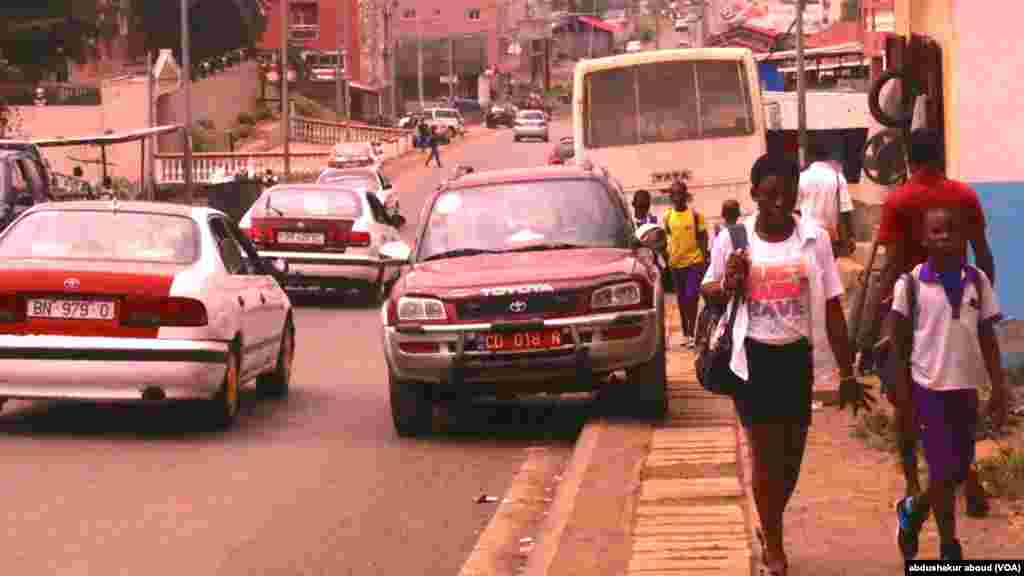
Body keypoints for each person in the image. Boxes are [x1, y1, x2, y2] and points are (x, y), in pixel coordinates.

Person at [701, 154, 873, 576]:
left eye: (787, 192)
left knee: (791, 459)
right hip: (751, 358)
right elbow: (709, 287)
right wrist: (729, 281)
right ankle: (775, 547)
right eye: (770, 193)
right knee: (764, 453)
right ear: (755, 193)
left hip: (796, 358)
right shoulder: (735, 237)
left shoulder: (814, 238)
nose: (779, 201)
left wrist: (847, 371)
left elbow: (833, 305)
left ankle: (769, 518)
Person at [871, 128, 996, 517]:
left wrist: (877, 320)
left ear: (908, 157)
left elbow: (891, 265)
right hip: (959, 303)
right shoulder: (964, 196)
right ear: (942, 154)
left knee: (905, 402)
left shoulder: (899, 200)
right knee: (962, 397)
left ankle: (913, 485)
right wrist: (982, 300)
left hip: (909, 311)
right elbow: (984, 254)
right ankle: (968, 479)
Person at [889, 206, 1008, 562]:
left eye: (952, 231)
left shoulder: (977, 281)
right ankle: (949, 545)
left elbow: (987, 335)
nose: (945, 237)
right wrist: (902, 397)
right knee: (941, 469)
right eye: (937, 231)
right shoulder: (911, 284)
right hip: (928, 389)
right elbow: (898, 341)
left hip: (965, 390)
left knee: (956, 470)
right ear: (924, 239)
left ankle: (912, 511)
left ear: (964, 239)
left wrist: (999, 386)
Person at [663, 180, 708, 348]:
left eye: (681, 193)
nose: (678, 197)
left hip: (694, 263)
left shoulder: (696, 215)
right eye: (674, 194)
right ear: (671, 197)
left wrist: (703, 260)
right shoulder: (667, 217)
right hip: (676, 265)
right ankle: (686, 333)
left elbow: (703, 237)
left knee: (692, 297)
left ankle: (692, 331)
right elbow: (668, 236)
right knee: (681, 300)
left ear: (686, 195)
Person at [798, 142, 855, 257]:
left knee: (810, 272)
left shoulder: (802, 177)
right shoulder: (838, 177)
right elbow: (845, 210)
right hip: (830, 237)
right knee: (828, 271)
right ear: (828, 157)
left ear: (809, 158)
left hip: (806, 235)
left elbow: (796, 210)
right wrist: (850, 236)